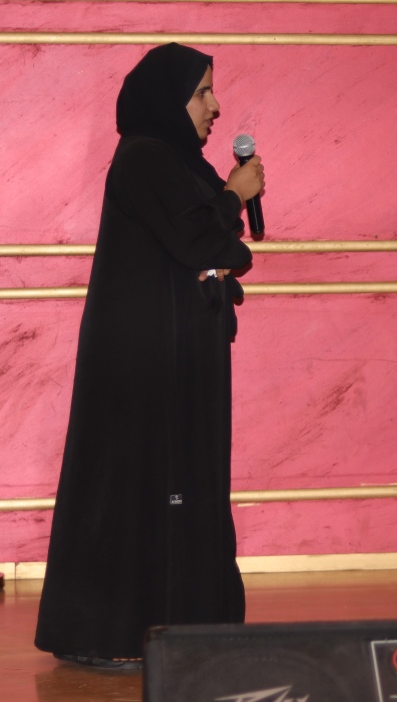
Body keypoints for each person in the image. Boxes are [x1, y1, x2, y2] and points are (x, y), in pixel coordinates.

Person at [34, 43, 265, 669]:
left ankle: (185, 626)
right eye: (202, 92)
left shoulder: (182, 163)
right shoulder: (144, 157)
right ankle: (113, 634)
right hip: (142, 363)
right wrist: (233, 196)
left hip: (177, 354)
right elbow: (196, 237)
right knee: (136, 488)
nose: (215, 106)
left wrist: (226, 214)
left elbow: (223, 247)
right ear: (169, 99)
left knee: (182, 487)